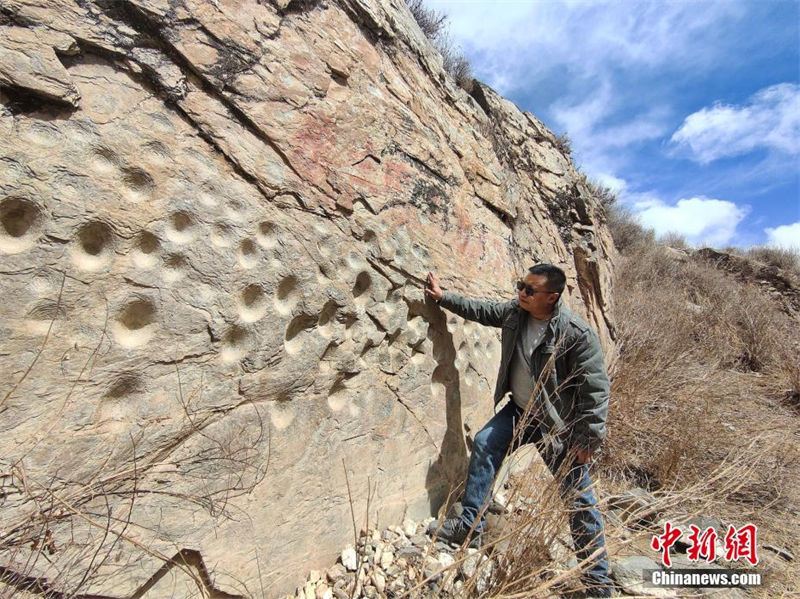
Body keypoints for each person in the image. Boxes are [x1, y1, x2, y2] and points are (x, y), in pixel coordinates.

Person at [424, 264, 613, 597]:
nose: (521, 293)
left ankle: (597, 580)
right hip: (520, 412)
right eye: (520, 286)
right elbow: (481, 310)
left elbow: (595, 391)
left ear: (552, 297)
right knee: (484, 443)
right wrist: (443, 298)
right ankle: (470, 528)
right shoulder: (516, 313)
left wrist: (587, 439)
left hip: (558, 427)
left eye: (529, 290)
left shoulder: (576, 334)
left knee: (579, 498)